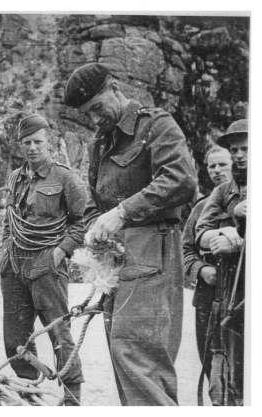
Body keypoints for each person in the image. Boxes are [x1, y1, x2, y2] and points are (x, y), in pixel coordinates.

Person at [63, 63, 196, 405]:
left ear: (115, 88)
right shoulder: (100, 143)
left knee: (138, 359)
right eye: (86, 114)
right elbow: (94, 203)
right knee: (126, 360)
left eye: (96, 109)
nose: (94, 120)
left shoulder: (156, 124)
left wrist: (121, 213)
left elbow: (181, 180)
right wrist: (96, 226)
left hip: (153, 251)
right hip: (119, 260)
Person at [0, 114, 87, 405]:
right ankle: (30, 396)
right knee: (15, 338)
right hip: (15, 265)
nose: (32, 148)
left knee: (60, 334)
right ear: (20, 145)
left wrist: (59, 253)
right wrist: (5, 250)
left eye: (38, 142)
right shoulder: (15, 177)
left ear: (48, 142)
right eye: (27, 143)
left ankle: (73, 400)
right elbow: (9, 219)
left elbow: (80, 223)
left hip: (47, 265)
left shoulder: (65, 178)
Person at [195, 119, 248, 405]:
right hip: (228, 290)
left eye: (246, 149)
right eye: (235, 150)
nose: (240, 156)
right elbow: (199, 234)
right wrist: (221, 235)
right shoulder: (222, 192)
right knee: (227, 362)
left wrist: (238, 242)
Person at [182, 146, 232, 389]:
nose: (217, 170)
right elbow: (185, 250)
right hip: (207, 298)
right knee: (209, 360)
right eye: (212, 166)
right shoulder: (201, 208)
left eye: (223, 164)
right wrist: (201, 269)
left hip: (238, 295)